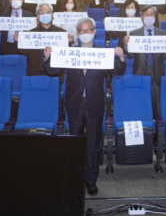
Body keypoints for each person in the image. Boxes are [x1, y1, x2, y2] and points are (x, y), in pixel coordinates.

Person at [42, 17, 125, 195]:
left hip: (94, 104)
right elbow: (51, 70)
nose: (85, 33)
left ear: (94, 32)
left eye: (88, 30)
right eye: (81, 31)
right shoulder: (68, 52)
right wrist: (47, 57)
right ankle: (76, 177)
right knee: (75, 143)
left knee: (94, 145)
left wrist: (121, 57)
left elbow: (118, 71)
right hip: (74, 104)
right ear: (77, 34)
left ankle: (91, 179)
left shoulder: (103, 52)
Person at [122, 5, 166, 118]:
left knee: (157, 105)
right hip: (140, 71)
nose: (149, 17)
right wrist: (126, 45)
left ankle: (156, 132)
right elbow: (129, 55)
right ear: (141, 17)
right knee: (141, 102)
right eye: (146, 14)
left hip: (157, 72)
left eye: (152, 14)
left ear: (155, 17)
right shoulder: (134, 34)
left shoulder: (163, 33)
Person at [13, 3, 73, 82]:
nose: (45, 15)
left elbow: (65, 54)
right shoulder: (30, 34)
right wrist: (19, 41)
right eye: (41, 13)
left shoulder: (62, 32)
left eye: (47, 12)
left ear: (52, 15)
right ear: (37, 16)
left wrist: (69, 42)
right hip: (35, 72)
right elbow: (24, 52)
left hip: (55, 75)